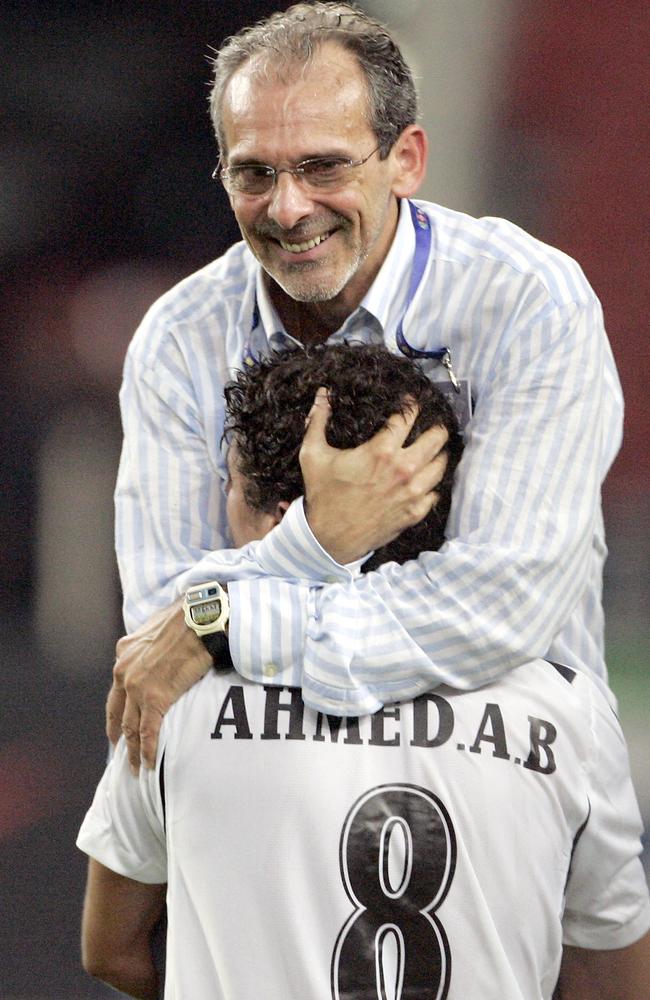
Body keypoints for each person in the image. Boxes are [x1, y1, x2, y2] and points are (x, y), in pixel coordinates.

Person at [108, 2, 623, 776]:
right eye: (254, 173)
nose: (288, 207)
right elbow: (159, 620)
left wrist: (221, 621)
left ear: (406, 159)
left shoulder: (528, 300)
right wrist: (321, 542)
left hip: (513, 793)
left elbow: (497, 610)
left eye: (323, 167)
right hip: (267, 806)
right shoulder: (179, 337)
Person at [79, 345, 650, 1000]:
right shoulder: (567, 708)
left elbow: (114, 950)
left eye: (230, 486)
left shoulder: (172, 686)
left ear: (293, 518)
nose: (222, 511)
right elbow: (614, 979)